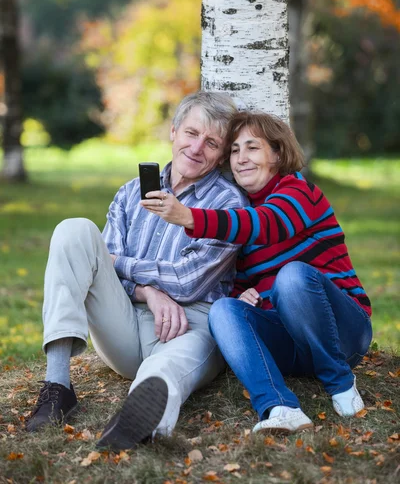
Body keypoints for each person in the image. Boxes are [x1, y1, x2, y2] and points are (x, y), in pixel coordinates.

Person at [26, 91, 247, 450]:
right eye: (191, 134)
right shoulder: (131, 193)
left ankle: (142, 421)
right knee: (74, 230)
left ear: (222, 154)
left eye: (212, 143)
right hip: (125, 319)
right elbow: (101, 261)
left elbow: (188, 281)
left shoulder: (228, 203)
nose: (197, 148)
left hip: (191, 324)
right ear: (173, 132)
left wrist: (123, 266)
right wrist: (149, 292)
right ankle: (57, 387)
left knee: (166, 370)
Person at [142, 111, 372, 435]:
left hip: (345, 333)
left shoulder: (297, 192)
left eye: (252, 148)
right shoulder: (242, 213)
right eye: (234, 150)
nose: (241, 159)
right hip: (293, 345)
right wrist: (243, 296)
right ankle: (280, 406)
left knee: (292, 277)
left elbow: (267, 225)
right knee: (223, 309)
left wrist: (189, 217)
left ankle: (340, 383)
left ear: (277, 154)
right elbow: (242, 281)